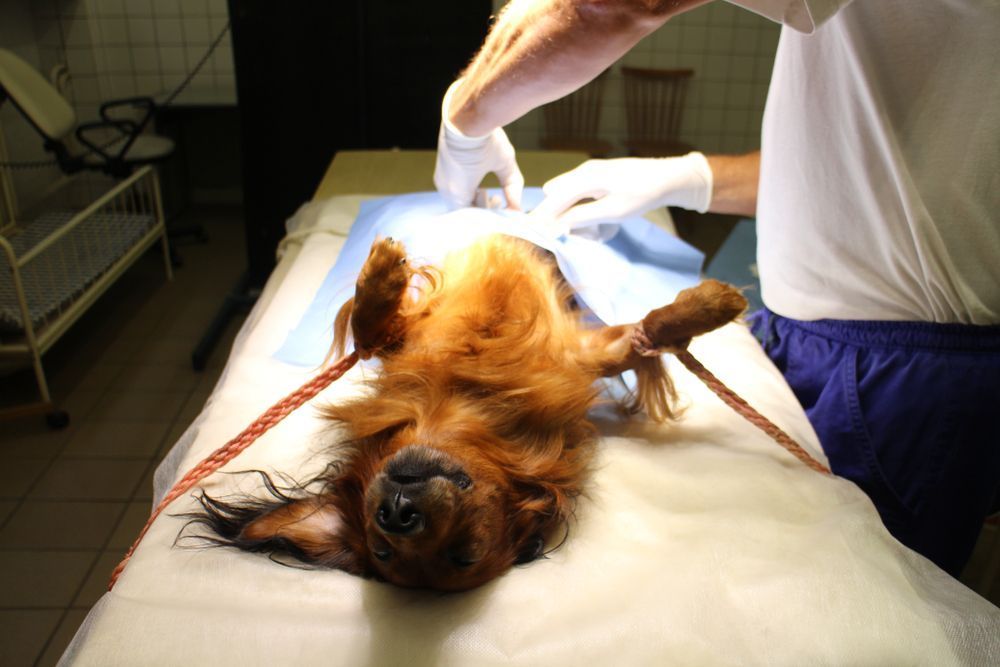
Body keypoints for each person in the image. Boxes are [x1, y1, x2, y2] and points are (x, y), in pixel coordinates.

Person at [433, 0, 1000, 577]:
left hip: (904, 371)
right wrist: (691, 177)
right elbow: (882, 158)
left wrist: (467, 114)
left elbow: (607, 5)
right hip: (822, 334)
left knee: (862, 581)